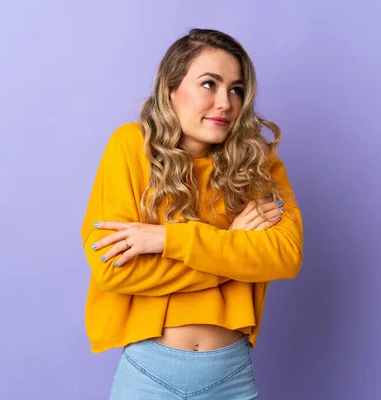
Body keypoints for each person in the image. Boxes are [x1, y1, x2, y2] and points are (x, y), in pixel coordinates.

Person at [80, 28, 303, 399]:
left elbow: (285, 257)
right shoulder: (132, 147)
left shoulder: (258, 163)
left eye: (236, 89)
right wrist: (233, 250)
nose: (225, 103)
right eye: (209, 84)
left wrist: (168, 240)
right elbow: (112, 268)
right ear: (171, 88)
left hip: (230, 376)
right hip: (149, 375)